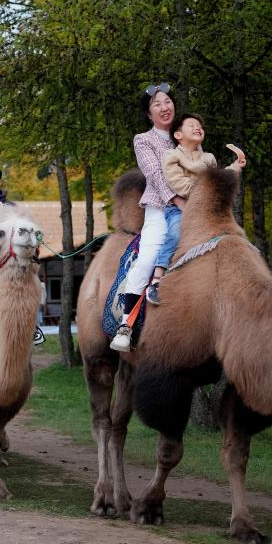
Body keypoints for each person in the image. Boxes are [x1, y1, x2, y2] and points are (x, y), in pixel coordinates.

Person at [144, 113, 246, 306]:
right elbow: (178, 184)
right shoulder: (172, 156)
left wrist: (235, 167)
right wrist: (204, 190)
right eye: (191, 125)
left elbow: (218, 179)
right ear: (178, 135)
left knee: (230, 234)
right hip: (182, 209)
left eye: (199, 126)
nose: (197, 127)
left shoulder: (209, 158)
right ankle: (157, 278)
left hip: (206, 209)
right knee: (175, 233)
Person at [109, 82, 179, 352]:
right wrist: (178, 200)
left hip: (192, 208)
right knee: (148, 258)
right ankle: (126, 324)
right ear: (149, 114)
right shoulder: (143, 140)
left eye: (167, 101)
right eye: (157, 104)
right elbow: (155, 174)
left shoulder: (185, 135)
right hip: (160, 209)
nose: (164, 107)